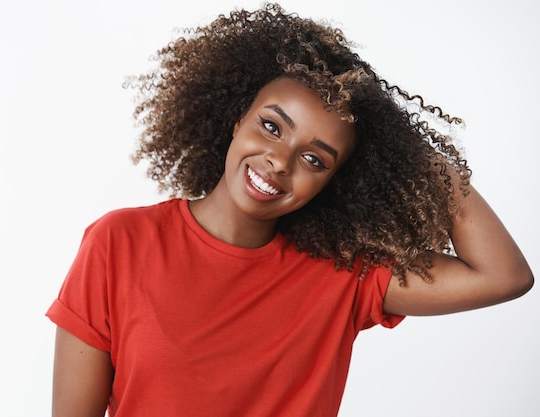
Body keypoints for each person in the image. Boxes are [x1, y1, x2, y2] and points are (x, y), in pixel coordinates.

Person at [46, 3, 534, 417]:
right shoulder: (120, 243)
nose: (279, 162)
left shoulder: (345, 274)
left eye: (314, 158)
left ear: (333, 180)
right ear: (237, 117)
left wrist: (408, 149)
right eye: (272, 127)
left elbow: (504, 276)